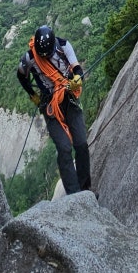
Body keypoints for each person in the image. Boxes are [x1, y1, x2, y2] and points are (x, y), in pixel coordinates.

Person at [17, 24, 91, 195]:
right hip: (49, 104)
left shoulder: (63, 45)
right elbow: (21, 75)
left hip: (68, 96)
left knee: (81, 143)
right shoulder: (30, 58)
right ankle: (74, 195)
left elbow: (76, 66)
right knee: (64, 147)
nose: (44, 58)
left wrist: (78, 77)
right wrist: (32, 95)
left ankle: (85, 189)